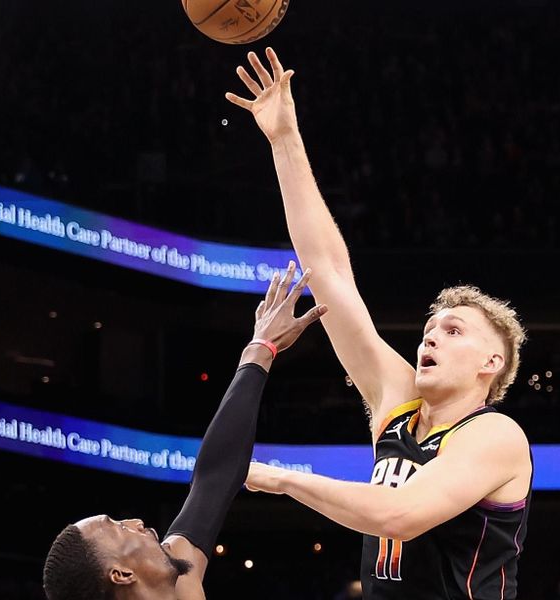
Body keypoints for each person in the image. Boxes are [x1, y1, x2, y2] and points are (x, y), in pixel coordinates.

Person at [227, 48, 533, 599]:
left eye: (455, 330)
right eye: (431, 329)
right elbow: (331, 275)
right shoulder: (399, 403)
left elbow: (401, 514)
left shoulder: (496, 435)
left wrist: (280, 477)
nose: (432, 335)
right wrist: (284, 140)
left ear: (494, 363)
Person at [42, 262, 327, 600]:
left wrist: (260, 349)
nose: (134, 521)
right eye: (118, 528)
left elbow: (214, 477)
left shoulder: (181, 585)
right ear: (121, 573)